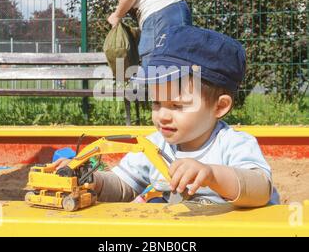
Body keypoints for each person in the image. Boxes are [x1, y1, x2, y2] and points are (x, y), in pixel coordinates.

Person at [54, 25, 279, 207]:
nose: (162, 115)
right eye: (156, 103)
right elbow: (124, 186)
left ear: (219, 107)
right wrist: (92, 181)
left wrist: (212, 175)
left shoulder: (233, 144)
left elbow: (261, 189)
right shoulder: (153, 145)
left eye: (177, 105)